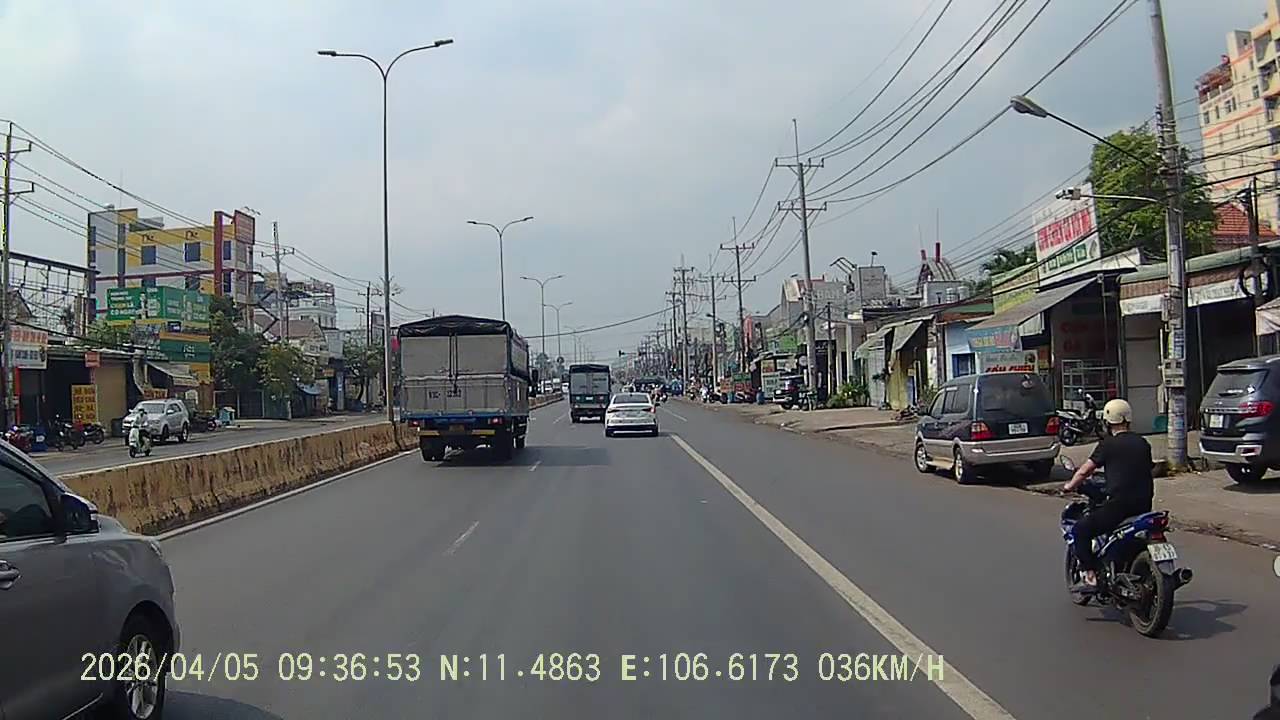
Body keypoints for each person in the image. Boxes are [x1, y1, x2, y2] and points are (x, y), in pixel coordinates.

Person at [1061, 398, 1154, 592]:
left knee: (1080, 530)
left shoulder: (1108, 444)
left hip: (1119, 507)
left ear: (1107, 421)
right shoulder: (1143, 443)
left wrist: (1069, 486)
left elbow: (1085, 471)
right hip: (1144, 505)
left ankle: (1090, 576)